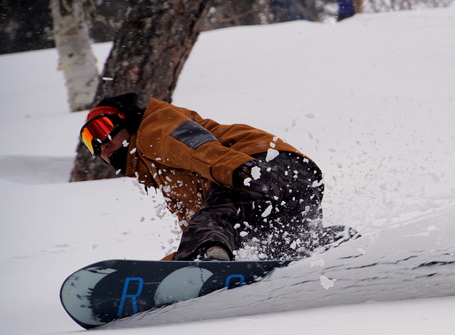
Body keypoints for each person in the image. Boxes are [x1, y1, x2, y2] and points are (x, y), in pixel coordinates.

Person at [79, 93, 352, 261]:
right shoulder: (162, 177)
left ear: (126, 122)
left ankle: (209, 263)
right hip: (296, 176)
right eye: (90, 142)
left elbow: (198, 146)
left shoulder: (153, 128)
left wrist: (242, 171)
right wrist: (173, 265)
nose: (101, 143)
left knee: (212, 224)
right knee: (285, 247)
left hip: (259, 165)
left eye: (103, 128)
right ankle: (346, 246)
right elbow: (195, 227)